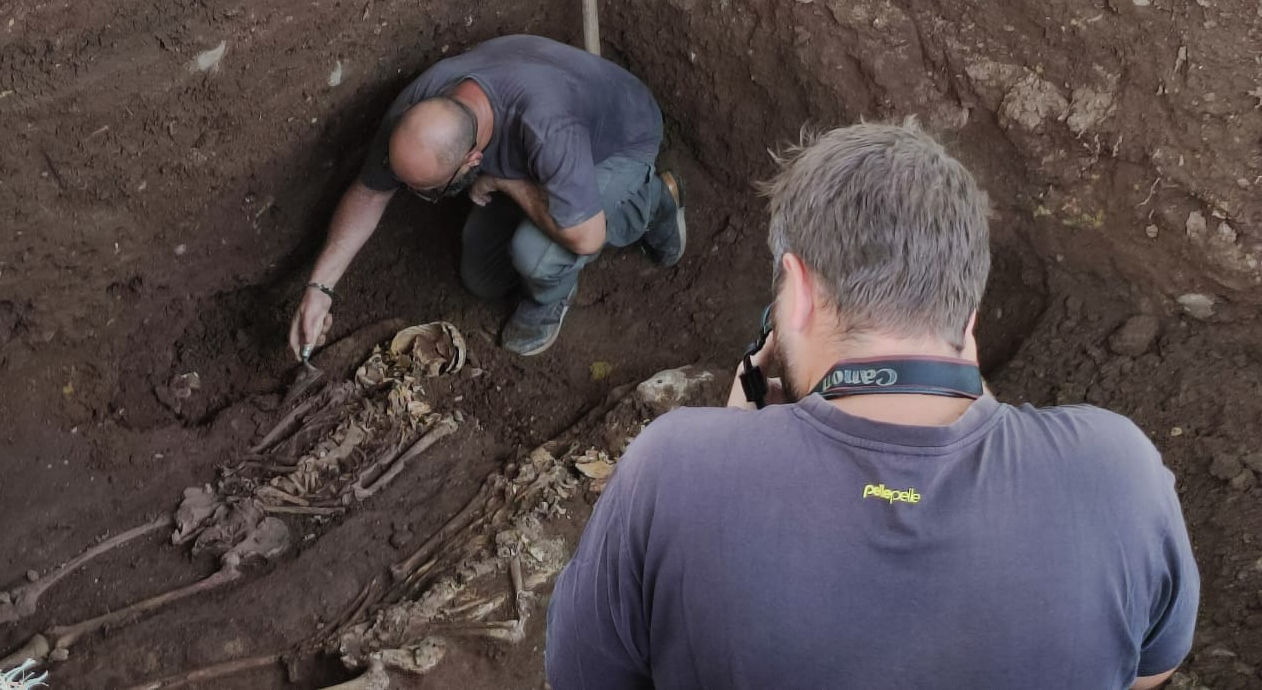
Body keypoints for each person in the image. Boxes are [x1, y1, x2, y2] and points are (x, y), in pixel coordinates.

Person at [545, 121, 1198, 689]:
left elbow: (581, 678)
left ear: (797, 291)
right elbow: (1146, 669)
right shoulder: (1117, 475)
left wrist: (734, 447)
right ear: (967, 308)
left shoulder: (677, 470)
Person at [288, 35, 686, 358]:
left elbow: (588, 238)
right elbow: (370, 194)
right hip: (543, 143)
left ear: (473, 160)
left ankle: (650, 201)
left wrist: (505, 183)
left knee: (535, 254)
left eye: (431, 191)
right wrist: (319, 288)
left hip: (618, 141)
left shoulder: (547, 126)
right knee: (482, 279)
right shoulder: (420, 110)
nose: (411, 196)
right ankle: (568, 200)